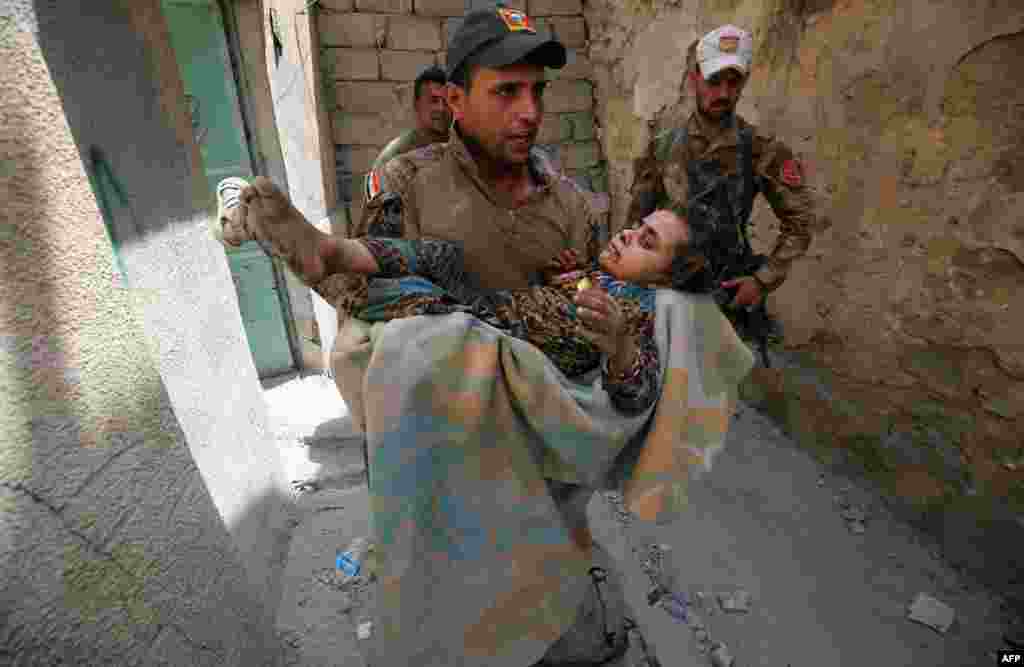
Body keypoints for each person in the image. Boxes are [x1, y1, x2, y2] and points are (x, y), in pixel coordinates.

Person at [224, 201, 708, 415]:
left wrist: (621, 346)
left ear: (665, 276)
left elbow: (637, 396)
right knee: (443, 256)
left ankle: (309, 259)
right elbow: (570, 304)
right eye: (636, 226)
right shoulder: (608, 278)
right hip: (500, 307)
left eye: (647, 241)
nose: (627, 234)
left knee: (415, 294)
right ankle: (332, 250)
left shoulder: (641, 310)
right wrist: (565, 275)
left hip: (495, 335)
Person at [626, 24, 822, 366]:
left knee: (721, 395)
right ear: (694, 79)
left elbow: (800, 220)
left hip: (729, 299)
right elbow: (634, 224)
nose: (724, 93)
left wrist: (762, 281)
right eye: (714, 81)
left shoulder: (760, 149)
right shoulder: (662, 149)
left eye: (734, 83)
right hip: (670, 296)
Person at [363, 65, 451, 203]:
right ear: (417, 105)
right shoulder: (393, 155)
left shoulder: (462, 147)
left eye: (446, 101)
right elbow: (375, 207)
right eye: (433, 101)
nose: (441, 108)